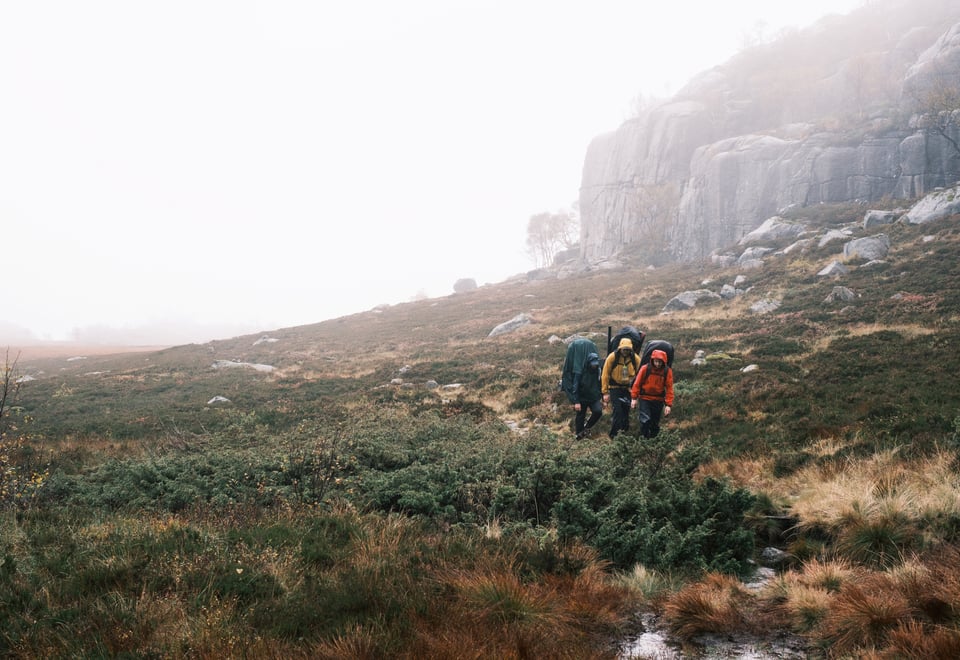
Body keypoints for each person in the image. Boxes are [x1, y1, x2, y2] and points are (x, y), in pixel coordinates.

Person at [560, 337, 603, 439]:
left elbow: (600, 382)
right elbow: (575, 386)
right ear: (588, 363)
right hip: (581, 397)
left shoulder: (598, 370)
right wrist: (576, 401)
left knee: (598, 411)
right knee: (580, 415)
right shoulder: (579, 372)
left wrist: (602, 395)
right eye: (592, 365)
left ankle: (587, 428)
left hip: (593, 396)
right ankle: (579, 436)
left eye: (595, 365)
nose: (594, 366)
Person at [630, 349, 674, 438]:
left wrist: (668, 405)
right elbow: (637, 383)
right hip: (644, 398)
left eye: (660, 362)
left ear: (664, 362)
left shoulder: (667, 371)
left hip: (658, 400)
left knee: (654, 423)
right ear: (652, 360)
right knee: (645, 420)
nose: (657, 364)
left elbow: (669, 388)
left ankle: (653, 442)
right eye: (656, 361)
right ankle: (644, 440)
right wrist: (634, 398)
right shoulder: (645, 368)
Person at [601, 337, 640, 438]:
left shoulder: (634, 358)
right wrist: (605, 392)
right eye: (624, 349)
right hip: (615, 388)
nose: (626, 351)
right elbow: (605, 375)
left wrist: (637, 391)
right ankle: (613, 436)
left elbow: (640, 374)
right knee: (618, 412)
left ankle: (623, 434)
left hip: (628, 389)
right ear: (620, 348)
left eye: (628, 349)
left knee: (626, 412)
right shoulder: (612, 357)